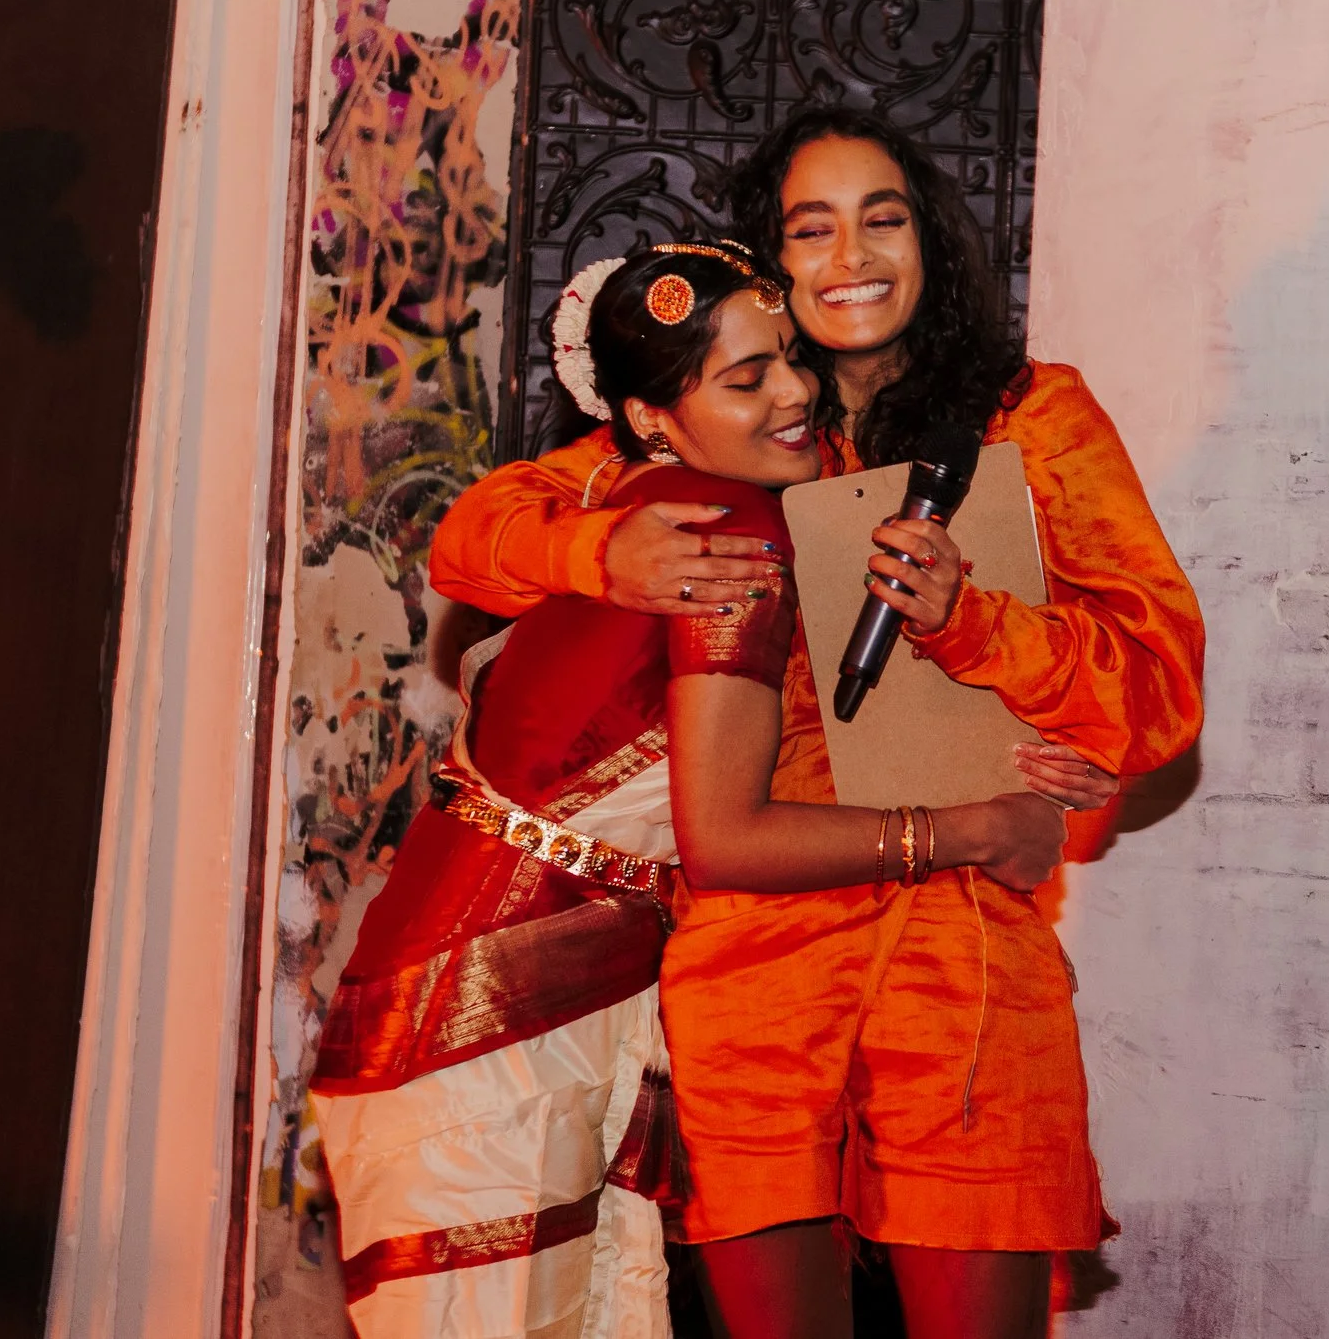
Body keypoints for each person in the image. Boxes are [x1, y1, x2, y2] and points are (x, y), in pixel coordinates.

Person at [426, 107, 1205, 1339]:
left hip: (961, 963)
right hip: (753, 960)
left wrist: (977, 621)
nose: (851, 254)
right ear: (768, 265)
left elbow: (1159, 696)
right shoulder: (725, 424)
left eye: (881, 217)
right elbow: (472, 542)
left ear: (930, 241)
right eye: (811, 227)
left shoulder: (1031, 419)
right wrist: (600, 545)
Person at [308, 242, 1104, 1339]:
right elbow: (726, 837)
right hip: (492, 1017)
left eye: (788, 359)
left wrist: (1044, 738)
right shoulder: (724, 535)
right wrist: (972, 830)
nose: (790, 392)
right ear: (646, 417)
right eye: (745, 380)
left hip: (516, 990)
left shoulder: (677, 495)